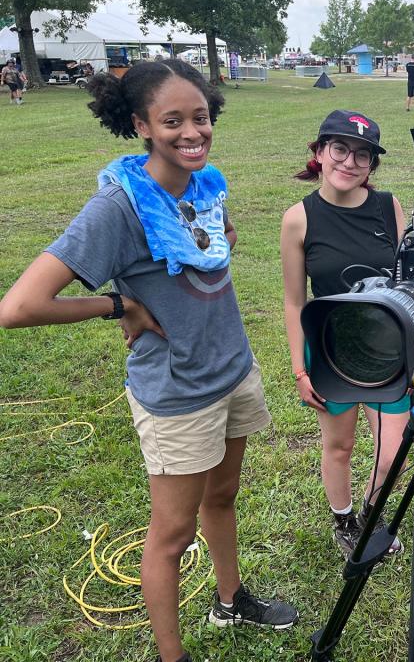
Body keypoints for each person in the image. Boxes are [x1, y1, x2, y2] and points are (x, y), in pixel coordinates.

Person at [0, 59, 299, 662]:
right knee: (171, 535)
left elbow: (220, 238)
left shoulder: (204, 182)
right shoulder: (120, 208)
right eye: (173, 121)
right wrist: (119, 304)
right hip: (178, 393)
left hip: (233, 370)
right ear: (140, 124)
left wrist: (213, 243)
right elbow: (19, 305)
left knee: (223, 496)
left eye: (201, 118)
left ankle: (230, 598)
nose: (193, 133)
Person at [280, 109, 408, 560]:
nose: (349, 162)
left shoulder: (387, 206)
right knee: (340, 444)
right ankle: (346, 521)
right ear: (318, 153)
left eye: (362, 155)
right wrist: (300, 368)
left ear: (372, 165)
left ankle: (373, 513)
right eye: (340, 149)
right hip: (331, 352)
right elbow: (295, 301)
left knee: (393, 453)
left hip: (388, 348)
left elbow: (408, 277)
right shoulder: (299, 218)